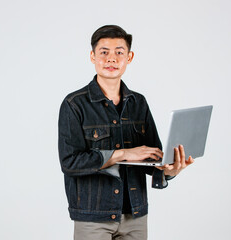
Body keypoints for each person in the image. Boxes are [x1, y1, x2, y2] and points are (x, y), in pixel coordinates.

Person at [58, 25, 194, 240]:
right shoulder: (74, 104)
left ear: (129, 57)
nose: (111, 59)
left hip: (135, 214)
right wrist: (122, 154)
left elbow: (152, 158)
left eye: (119, 52)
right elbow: (70, 163)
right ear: (92, 56)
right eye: (104, 52)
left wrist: (170, 170)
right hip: (93, 216)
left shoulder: (138, 102)